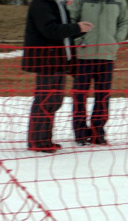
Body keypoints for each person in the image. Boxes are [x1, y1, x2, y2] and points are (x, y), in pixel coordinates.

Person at [22, 0, 93, 153]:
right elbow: (50, 30)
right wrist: (76, 27)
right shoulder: (41, 4)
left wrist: (80, 30)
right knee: (45, 100)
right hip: (47, 61)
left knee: (54, 101)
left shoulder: (59, 5)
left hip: (60, 61)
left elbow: (63, 34)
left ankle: (45, 138)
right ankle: (37, 141)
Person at [67, 0, 128, 145]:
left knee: (103, 95)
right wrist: (78, 39)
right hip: (84, 56)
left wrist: (116, 41)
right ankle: (80, 133)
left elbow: (124, 21)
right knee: (79, 95)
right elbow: (71, 19)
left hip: (107, 56)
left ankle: (98, 132)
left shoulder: (119, 1)